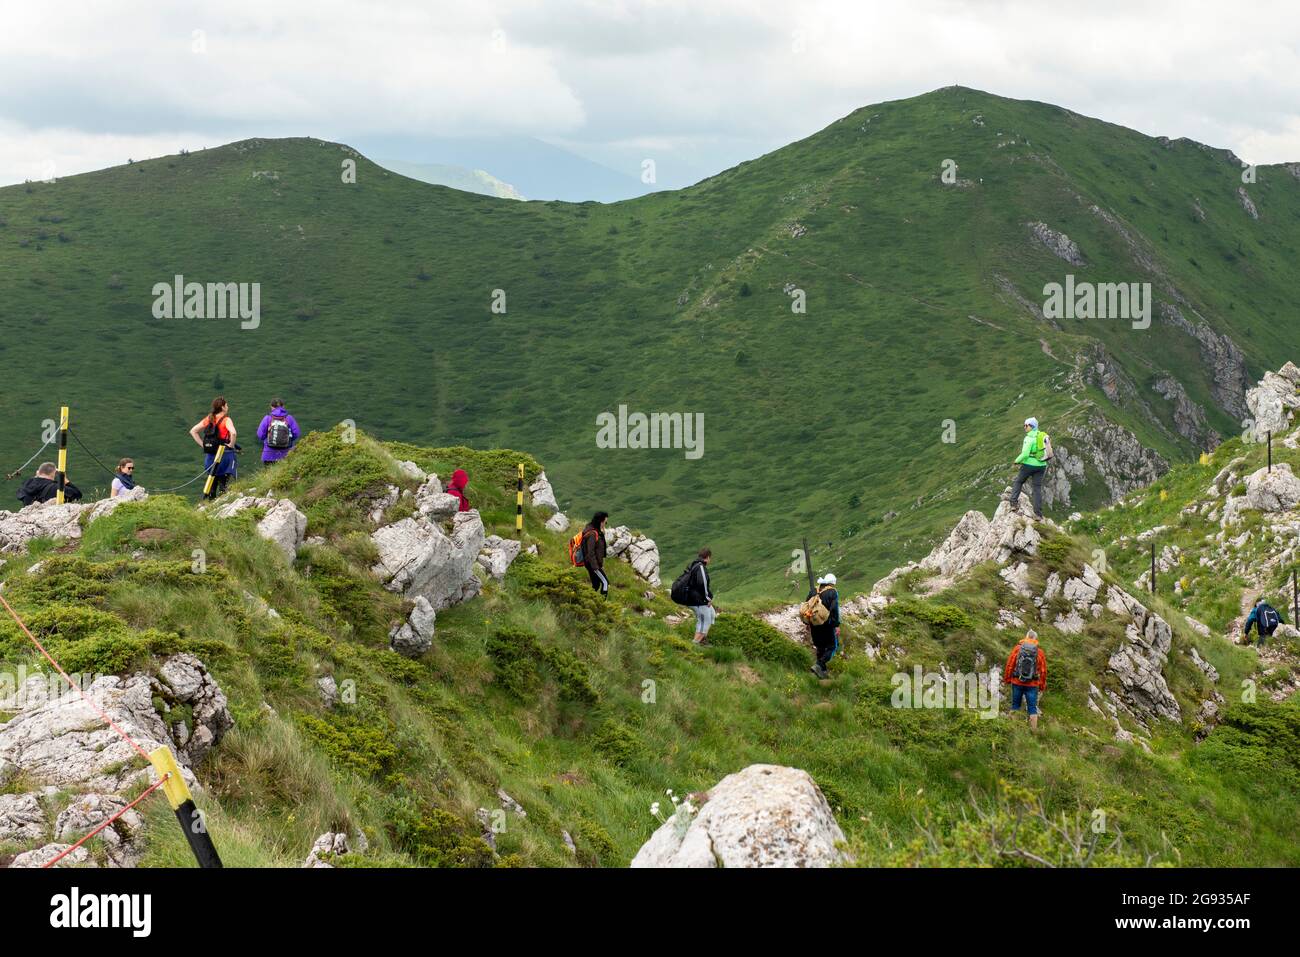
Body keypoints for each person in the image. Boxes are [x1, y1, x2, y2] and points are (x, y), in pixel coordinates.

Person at [189, 396, 239, 496]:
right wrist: (230, 445)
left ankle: (209, 503)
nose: (227, 407)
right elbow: (233, 433)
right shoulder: (226, 420)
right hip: (224, 455)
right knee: (223, 486)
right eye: (227, 405)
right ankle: (221, 503)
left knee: (212, 484)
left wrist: (203, 445)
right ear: (223, 407)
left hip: (210, 456)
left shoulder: (209, 418)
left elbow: (193, 431)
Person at [1008, 417, 1050, 520]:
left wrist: (1016, 461)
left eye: (1026, 425)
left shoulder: (1029, 438)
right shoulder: (1042, 436)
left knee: (1019, 481)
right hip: (1041, 465)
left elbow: (1025, 454)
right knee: (1037, 488)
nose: (1024, 427)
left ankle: (1013, 504)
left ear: (1032, 426)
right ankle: (1038, 514)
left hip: (1028, 465)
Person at [1004, 629, 1047, 730]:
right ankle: (1034, 732)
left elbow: (1010, 665)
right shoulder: (1039, 652)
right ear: (1035, 639)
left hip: (1017, 681)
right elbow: (1043, 671)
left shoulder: (1018, 648)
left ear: (1026, 637)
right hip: (1032, 684)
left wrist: (1007, 679)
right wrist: (1041, 686)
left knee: (1015, 706)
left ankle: (1011, 729)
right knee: (1032, 708)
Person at [806, 573, 840, 679]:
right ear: (832, 583)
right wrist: (836, 625)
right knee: (832, 646)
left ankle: (822, 672)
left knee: (820, 647)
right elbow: (834, 610)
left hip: (814, 623)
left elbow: (807, 606)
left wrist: (807, 623)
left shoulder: (813, 591)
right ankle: (819, 665)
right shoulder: (833, 592)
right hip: (827, 624)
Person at [684, 548, 716, 646]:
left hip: (695, 597)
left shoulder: (696, 565)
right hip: (696, 600)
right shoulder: (701, 567)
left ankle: (702, 640)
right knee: (705, 621)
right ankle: (693, 646)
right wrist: (707, 599)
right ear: (708, 557)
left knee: (711, 614)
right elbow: (702, 584)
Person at [256, 399, 300, 464]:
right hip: (287, 454)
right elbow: (296, 434)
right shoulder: (289, 418)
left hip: (269, 455)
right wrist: (287, 440)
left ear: (271, 407)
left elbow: (260, 435)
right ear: (283, 406)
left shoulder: (267, 418)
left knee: (269, 473)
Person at [16, 462, 82, 506]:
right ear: (55, 473)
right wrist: (64, 479)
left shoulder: (26, 484)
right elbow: (77, 495)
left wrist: (36, 476)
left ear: (38, 472)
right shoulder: (56, 488)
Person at [582, 511, 610, 597]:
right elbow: (591, 553)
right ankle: (602, 604)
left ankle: (588, 601)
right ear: (600, 521)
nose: (605, 524)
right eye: (605, 522)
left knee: (596, 585)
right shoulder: (592, 534)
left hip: (592, 563)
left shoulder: (595, 530)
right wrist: (596, 567)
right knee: (605, 583)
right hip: (593, 564)